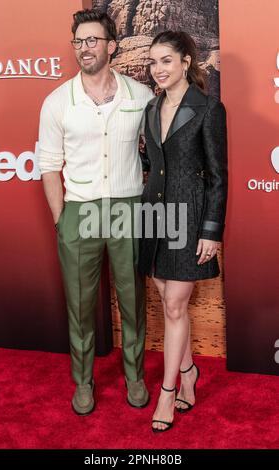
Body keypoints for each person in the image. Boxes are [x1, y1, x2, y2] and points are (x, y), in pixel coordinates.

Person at [38, 8, 153, 416]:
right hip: (79, 211)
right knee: (81, 305)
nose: (84, 48)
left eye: (92, 41)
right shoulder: (57, 102)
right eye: (78, 42)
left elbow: (156, 155)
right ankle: (83, 382)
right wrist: (61, 218)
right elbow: (49, 165)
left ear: (111, 46)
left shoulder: (139, 97)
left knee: (133, 299)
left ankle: (135, 376)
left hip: (127, 208)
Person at [138, 31, 228, 432]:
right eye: (153, 62)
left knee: (174, 305)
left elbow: (218, 176)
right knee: (165, 297)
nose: (158, 70)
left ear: (186, 62)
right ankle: (189, 370)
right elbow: (152, 162)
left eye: (166, 61)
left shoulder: (209, 108)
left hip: (190, 216)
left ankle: (168, 392)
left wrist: (211, 231)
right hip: (155, 214)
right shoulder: (150, 107)